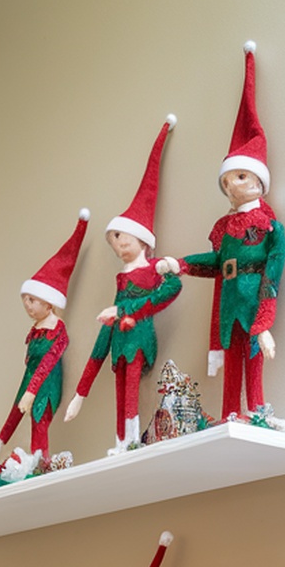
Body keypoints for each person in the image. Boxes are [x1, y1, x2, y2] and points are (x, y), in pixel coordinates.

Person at [168, 43, 285, 424]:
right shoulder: (227, 230)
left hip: (252, 303)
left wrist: (265, 324)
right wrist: (181, 264)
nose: (231, 186)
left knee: (253, 362)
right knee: (232, 362)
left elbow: (272, 278)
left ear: (257, 182)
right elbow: (216, 264)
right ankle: (230, 414)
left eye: (238, 177)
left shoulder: (270, 229)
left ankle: (259, 413)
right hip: (229, 306)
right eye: (226, 181)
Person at [64, 119, 181, 455]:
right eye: (114, 244)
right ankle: (121, 442)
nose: (118, 248)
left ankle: (130, 440)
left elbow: (168, 292)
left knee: (130, 388)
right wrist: (80, 394)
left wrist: (126, 309)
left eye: (122, 240)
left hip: (139, 339)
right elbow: (104, 337)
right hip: (120, 340)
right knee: (120, 389)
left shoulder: (152, 272)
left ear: (142, 240)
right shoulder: (124, 280)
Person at [0, 211, 89, 478]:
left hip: (45, 385)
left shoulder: (57, 330)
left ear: (48, 301)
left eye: (32, 300)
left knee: (39, 420)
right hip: (28, 381)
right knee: (11, 419)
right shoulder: (36, 329)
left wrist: (32, 391)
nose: (27, 306)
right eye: (25, 301)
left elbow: (49, 362)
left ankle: (41, 466)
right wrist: (26, 389)